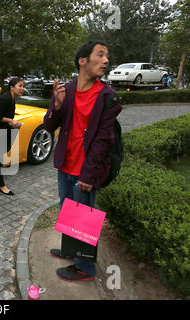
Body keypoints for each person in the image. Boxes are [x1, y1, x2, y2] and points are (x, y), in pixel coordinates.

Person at [43, 40, 122, 281]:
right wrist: (56, 106)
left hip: (86, 171)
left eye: (107, 56)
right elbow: (48, 126)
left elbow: (102, 141)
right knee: (67, 212)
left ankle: (84, 269)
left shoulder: (108, 97)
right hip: (65, 165)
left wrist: (88, 175)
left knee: (84, 221)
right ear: (82, 61)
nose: (106, 61)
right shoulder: (66, 89)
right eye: (101, 55)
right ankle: (71, 252)